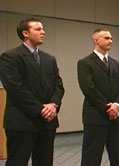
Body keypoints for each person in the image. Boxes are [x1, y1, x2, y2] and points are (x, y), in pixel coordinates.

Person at [0, 18, 65, 166]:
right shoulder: (10, 57)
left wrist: (53, 105)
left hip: (47, 123)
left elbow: (58, 86)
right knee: (17, 161)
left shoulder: (49, 59)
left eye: (43, 29)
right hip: (22, 121)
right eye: (38, 29)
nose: (43, 32)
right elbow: (15, 87)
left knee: (44, 162)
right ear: (25, 33)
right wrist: (40, 109)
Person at [77, 29, 119, 166]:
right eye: (106, 38)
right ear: (96, 40)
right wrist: (107, 108)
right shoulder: (85, 63)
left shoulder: (116, 64)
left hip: (116, 117)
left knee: (116, 156)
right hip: (96, 116)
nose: (110, 40)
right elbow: (88, 89)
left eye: (111, 38)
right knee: (92, 157)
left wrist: (116, 105)